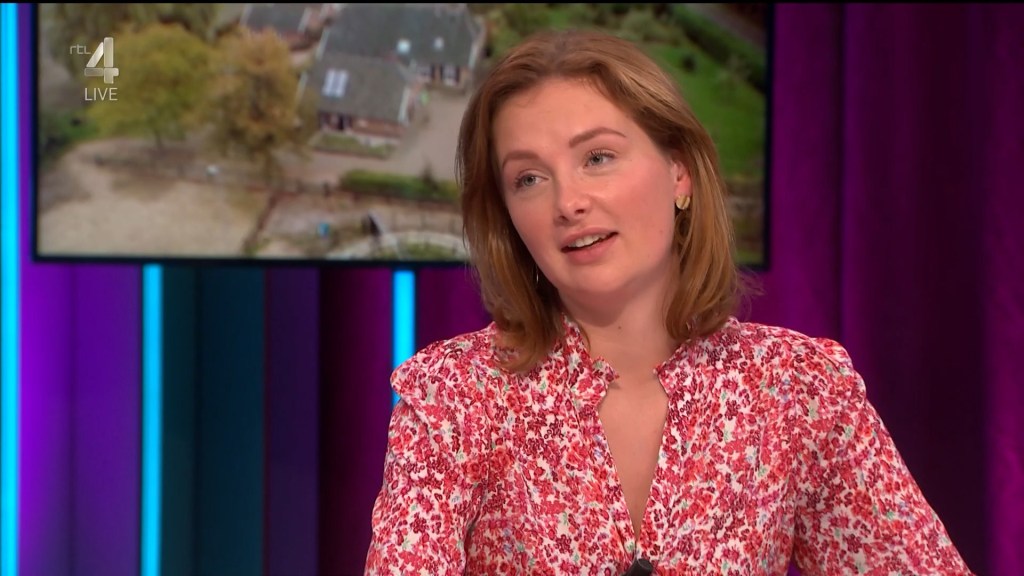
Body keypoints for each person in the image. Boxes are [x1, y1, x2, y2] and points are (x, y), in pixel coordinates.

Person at [365, 29, 973, 575]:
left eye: (597, 158)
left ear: (679, 171)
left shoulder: (797, 390)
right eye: (529, 178)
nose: (567, 202)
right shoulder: (453, 397)